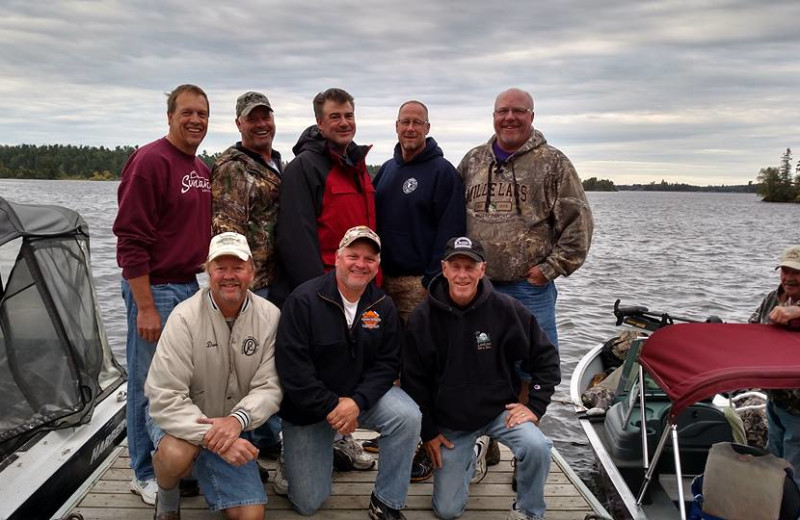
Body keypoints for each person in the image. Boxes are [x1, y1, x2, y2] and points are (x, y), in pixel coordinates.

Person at [403, 236, 560, 520]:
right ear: (444, 269)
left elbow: (545, 357)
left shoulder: (506, 309)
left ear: (482, 269)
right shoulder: (422, 318)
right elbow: (415, 382)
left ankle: (529, 511)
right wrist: (428, 431)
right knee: (447, 511)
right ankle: (473, 450)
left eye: (470, 266)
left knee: (537, 446)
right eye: (456, 266)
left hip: (500, 412)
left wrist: (535, 406)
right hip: (452, 422)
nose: (463, 274)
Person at [275, 226, 421, 519]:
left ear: (377, 266)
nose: (360, 264)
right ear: (337, 258)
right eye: (353, 255)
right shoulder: (303, 300)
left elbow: (388, 364)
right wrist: (333, 406)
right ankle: (300, 455)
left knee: (408, 416)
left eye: (369, 259)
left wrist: (356, 403)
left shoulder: (383, 306)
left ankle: (387, 500)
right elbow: (293, 370)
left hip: (359, 400)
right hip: (310, 408)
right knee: (307, 503)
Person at [112, 84, 212, 505]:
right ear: (170, 116)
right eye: (187, 112)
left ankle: (175, 465)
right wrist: (146, 307)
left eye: (203, 114)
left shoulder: (201, 169)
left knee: (180, 385)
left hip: (188, 287)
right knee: (147, 384)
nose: (195, 120)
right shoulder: (150, 161)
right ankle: (143, 471)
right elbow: (130, 240)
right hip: (153, 289)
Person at [272, 87, 377, 470]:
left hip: (357, 289)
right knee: (308, 373)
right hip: (320, 293)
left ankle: (342, 438)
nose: (344, 122)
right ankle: (290, 450)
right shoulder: (305, 167)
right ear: (320, 123)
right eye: (335, 116)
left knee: (347, 368)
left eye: (348, 115)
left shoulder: (359, 165)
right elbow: (295, 236)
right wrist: (315, 296)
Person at [144, 231, 282, 520]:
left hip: (234, 424)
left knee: (251, 515)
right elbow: (165, 396)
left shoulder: (271, 316)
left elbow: (270, 387)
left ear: (252, 272)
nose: (229, 276)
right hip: (181, 423)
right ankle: (168, 499)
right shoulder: (183, 317)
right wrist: (216, 437)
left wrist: (236, 421)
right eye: (220, 267)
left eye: (238, 267)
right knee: (175, 455)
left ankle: (207, 470)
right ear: (208, 271)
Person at [457, 87, 593, 354]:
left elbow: (579, 222)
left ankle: (530, 398)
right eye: (503, 111)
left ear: (532, 116)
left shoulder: (553, 162)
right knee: (479, 358)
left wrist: (550, 269)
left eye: (518, 111)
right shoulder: (473, 161)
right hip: (477, 287)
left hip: (529, 289)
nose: (510, 117)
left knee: (533, 361)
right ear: (493, 116)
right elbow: (450, 214)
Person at [211, 91, 283, 458]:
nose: (260, 124)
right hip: (250, 287)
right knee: (242, 370)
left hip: (275, 282)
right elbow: (226, 235)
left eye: (265, 117)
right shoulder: (232, 167)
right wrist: (238, 288)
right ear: (239, 124)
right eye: (252, 118)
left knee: (267, 365)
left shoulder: (275, 163)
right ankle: (242, 447)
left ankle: (269, 439)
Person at [374, 100, 465, 322]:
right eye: (405, 122)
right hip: (381, 281)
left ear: (427, 128)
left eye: (417, 122)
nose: (410, 128)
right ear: (396, 126)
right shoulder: (387, 169)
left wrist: (433, 280)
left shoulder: (443, 172)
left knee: (417, 351)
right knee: (383, 350)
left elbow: (451, 229)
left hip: (419, 285)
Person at [749, 245, 800, 486]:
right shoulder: (773, 298)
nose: (789, 277)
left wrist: (795, 312)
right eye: (785, 270)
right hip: (777, 399)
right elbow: (751, 329)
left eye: (797, 272)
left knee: (793, 474)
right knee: (774, 464)